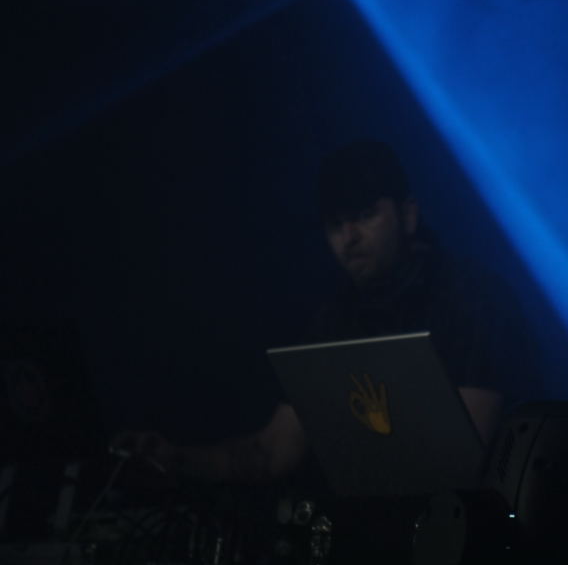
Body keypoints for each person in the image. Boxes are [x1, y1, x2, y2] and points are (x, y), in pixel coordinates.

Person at [117, 140, 533, 484]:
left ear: (408, 215)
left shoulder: (474, 300)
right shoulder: (336, 319)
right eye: (335, 225)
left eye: (364, 216)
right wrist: (175, 459)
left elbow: (466, 458)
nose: (348, 238)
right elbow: (272, 454)